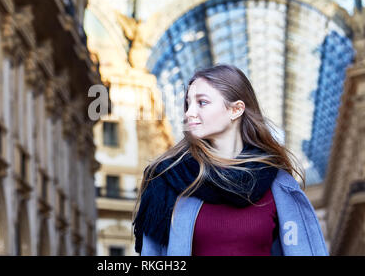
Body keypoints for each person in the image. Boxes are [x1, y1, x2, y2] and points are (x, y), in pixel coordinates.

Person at [133, 64, 329, 256]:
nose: (189, 113)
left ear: (236, 110)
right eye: (188, 103)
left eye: (202, 102)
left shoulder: (277, 184)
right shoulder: (169, 180)